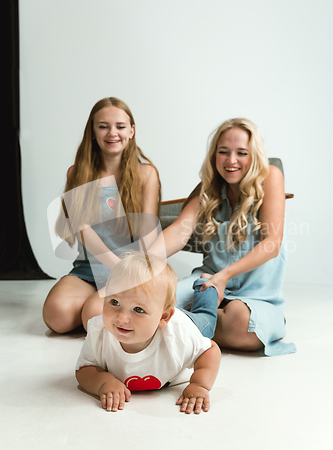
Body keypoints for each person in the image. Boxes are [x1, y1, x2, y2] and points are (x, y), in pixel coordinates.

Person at [150, 118, 296, 356]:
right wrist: (141, 263)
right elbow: (178, 231)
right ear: (214, 156)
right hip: (205, 285)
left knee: (241, 323)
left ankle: (180, 323)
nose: (231, 161)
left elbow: (272, 244)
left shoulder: (271, 176)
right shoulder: (208, 186)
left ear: (255, 155)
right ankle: (192, 319)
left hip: (256, 297)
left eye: (242, 153)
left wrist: (223, 277)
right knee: (151, 302)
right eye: (223, 152)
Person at [43, 97, 161, 334]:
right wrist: (112, 266)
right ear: (93, 132)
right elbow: (83, 230)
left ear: (131, 131)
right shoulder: (76, 172)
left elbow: (148, 233)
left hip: (130, 269)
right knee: (56, 315)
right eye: (103, 126)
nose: (112, 133)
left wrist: (140, 275)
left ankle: (102, 308)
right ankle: (99, 306)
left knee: (94, 314)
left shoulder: (146, 174)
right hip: (90, 267)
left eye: (120, 126)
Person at [75, 251, 221, 414]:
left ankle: (207, 285)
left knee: (206, 316)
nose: (122, 318)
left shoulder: (180, 334)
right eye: (114, 302)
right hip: (158, 316)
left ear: (164, 317)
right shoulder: (99, 331)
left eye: (138, 309)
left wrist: (199, 385)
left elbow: (210, 351)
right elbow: (85, 368)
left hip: (191, 323)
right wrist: (103, 382)